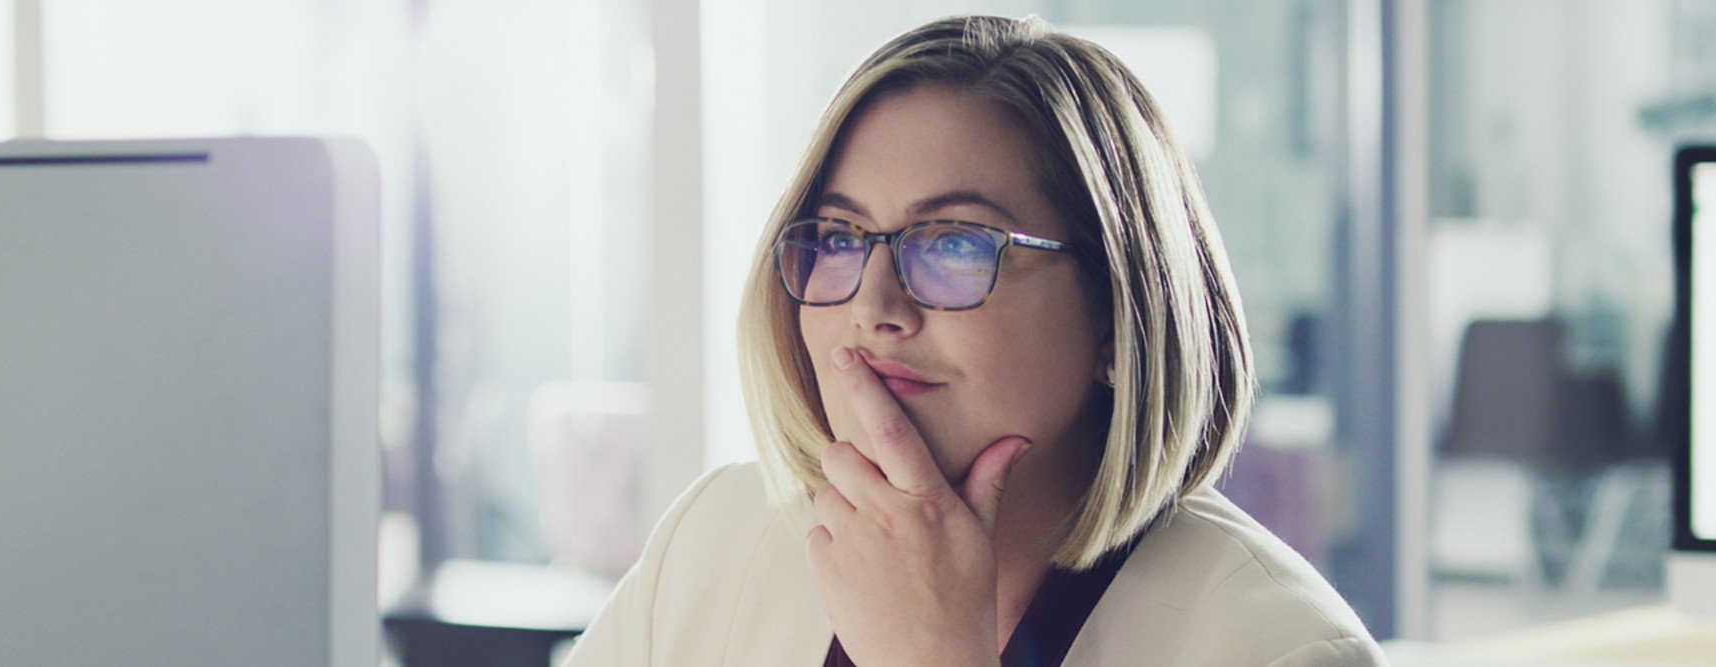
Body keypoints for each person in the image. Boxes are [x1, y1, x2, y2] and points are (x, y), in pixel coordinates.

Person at [564, 14, 1386, 666]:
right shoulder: (712, 543)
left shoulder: (1282, 650)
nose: (874, 305)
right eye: (842, 238)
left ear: (1115, 315)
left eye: (955, 243)